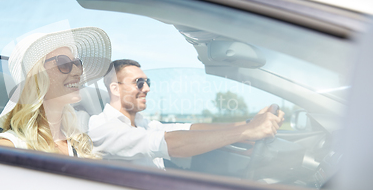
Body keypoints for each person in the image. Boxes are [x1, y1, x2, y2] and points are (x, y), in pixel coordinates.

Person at [88, 59, 284, 168]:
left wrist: (248, 123)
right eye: (139, 83)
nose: (147, 88)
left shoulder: (143, 123)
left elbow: (189, 129)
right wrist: (247, 132)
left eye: (148, 82)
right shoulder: (104, 128)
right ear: (115, 89)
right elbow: (170, 143)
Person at [0, 27, 111, 159]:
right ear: (36, 77)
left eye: (77, 63)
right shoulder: (9, 147)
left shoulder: (79, 144)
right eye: (64, 63)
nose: (77, 72)